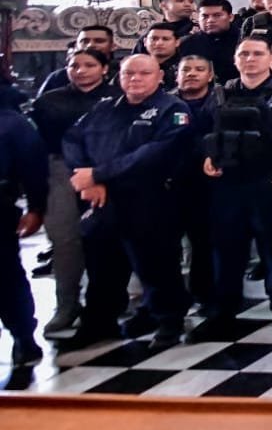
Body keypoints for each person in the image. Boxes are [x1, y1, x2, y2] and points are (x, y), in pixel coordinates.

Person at [192, 35, 272, 342]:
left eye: (257, 54)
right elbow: (200, 131)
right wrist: (207, 157)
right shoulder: (220, 94)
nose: (250, 59)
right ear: (235, 60)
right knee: (227, 253)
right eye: (244, 54)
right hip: (228, 185)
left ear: (269, 58)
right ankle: (223, 312)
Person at [61, 55, 195, 349]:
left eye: (143, 73)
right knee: (101, 267)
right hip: (103, 200)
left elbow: (155, 154)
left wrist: (97, 174)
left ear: (160, 76)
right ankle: (99, 322)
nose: (135, 78)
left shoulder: (172, 110)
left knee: (155, 266)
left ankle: (168, 322)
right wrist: (86, 177)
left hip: (149, 201)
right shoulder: (106, 107)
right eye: (128, 73)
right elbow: (72, 138)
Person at [28, 47, 114, 339]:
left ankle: (106, 304)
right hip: (61, 169)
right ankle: (66, 304)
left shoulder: (117, 98)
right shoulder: (49, 102)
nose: (81, 70)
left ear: (104, 68)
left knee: (108, 240)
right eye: (74, 65)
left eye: (89, 65)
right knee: (65, 239)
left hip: (107, 167)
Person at [0, 81, 49, 366]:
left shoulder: (12, 121)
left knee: (6, 278)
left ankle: (22, 337)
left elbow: (33, 165)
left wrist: (36, 207)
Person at [172, 54, 219, 315]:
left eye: (199, 69)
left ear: (209, 75)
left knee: (203, 242)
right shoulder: (164, 103)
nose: (192, 73)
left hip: (206, 184)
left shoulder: (221, 102)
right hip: (168, 183)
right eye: (186, 69)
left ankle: (204, 294)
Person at [36, 25, 117, 96]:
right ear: (76, 45)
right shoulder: (59, 77)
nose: (90, 45)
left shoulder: (122, 72)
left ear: (113, 46)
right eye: (85, 41)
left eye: (99, 41)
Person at [178, 0, 240, 83]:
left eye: (217, 15)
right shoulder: (186, 44)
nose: (210, 20)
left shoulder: (244, 41)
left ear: (230, 17)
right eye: (205, 16)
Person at [141, 22, 183, 87]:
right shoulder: (136, 67)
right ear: (145, 42)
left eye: (165, 39)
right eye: (154, 39)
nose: (159, 43)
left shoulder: (185, 68)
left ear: (177, 42)